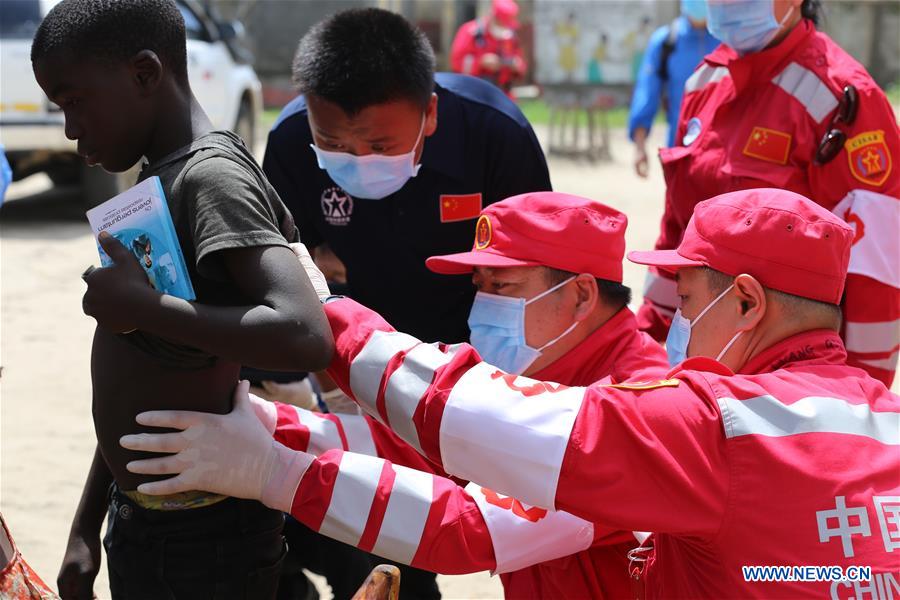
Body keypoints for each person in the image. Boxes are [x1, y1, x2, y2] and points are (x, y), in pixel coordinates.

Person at [123, 188, 898, 598]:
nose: (678, 319)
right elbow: (424, 451)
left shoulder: (693, 420)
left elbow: (468, 516)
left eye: (690, 298)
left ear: (750, 305)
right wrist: (274, 427)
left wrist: (314, 315)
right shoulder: (877, 417)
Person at [121, 191, 670, 599]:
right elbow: (412, 449)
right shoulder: (549, 369)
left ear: (579, 294)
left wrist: (273, 472)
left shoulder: (632, 403)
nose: (483, 308)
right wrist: (270, 425)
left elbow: (469, 528)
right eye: (478, 287)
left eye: (503, 288)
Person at [30, 1, 333, 598]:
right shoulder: (159, 181)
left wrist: (143, 309)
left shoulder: (209, 178)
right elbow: (149, 368)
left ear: (144, 74)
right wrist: (87, 525)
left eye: (75, 102)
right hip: (146, 519)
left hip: (208, 537)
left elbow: (304, 333)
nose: (69, 129)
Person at [637, 0, 900, 388]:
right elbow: (677, 233)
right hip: (700, 369)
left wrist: (857, 391)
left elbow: (874, 269)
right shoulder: (704, 82)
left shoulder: (844, 99)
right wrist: (645, 342)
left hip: (792, 379)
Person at [627, 0, 719, 177]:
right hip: (679, 149)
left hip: (723, 152)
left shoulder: (730, 38)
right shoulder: (666, 41)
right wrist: (639, 147)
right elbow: (647, 92)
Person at [449, 0, 526, 97]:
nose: (504, 26)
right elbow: (456, 63)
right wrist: (481, 62)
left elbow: (521, 64)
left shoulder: (510, 36)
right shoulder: (471, 32)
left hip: (504, 95)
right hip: (476, 95)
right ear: (494, 17)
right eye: (502, 23)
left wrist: (517, 66)